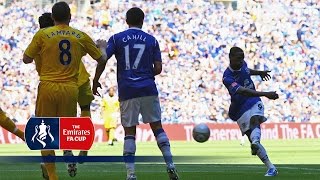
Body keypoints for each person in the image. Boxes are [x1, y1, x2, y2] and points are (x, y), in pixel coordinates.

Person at [93, 7, 179, 180]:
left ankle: (131, 174)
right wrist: (145, 74)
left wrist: (95, 80)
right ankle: (170, 165)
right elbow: (158, 68)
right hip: (148, 88)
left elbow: (103, 59)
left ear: (126, 20)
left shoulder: (117, 38)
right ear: (142, 21)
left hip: (127, 90)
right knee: (157, 128)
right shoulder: (152, 40)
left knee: (129, 133)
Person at [23, 2, 106, 180]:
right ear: (70, 16)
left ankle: (53, 175)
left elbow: (26, 59)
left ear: (53, 18)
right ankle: (72, 152)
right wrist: (100, 50)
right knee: (68, 127)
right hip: (71, 87)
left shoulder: (42, 36)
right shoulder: (78, 36)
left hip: (48, 86)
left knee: (44, 131)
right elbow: (100, 58)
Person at [35, 12, 96, 179]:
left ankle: (51, 160)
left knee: (49, 123)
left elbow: (38, 67)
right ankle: (81, 147)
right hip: (80, 79)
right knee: (84, 109)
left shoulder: (41, 41)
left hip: (57, 85)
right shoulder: (67, 35)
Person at [222, 47, 279, 176]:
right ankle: (270, 166)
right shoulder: (227, 77)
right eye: (238, 59)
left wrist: (259, 73)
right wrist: (266, 94)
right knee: (250, 135)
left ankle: (256, 144)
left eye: (242, 59)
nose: (241, 61)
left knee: (255, 120)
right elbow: (244, 91)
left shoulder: (243, 64)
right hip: (240, 107)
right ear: (230, 58)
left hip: (253, 101)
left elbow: (247, 71)